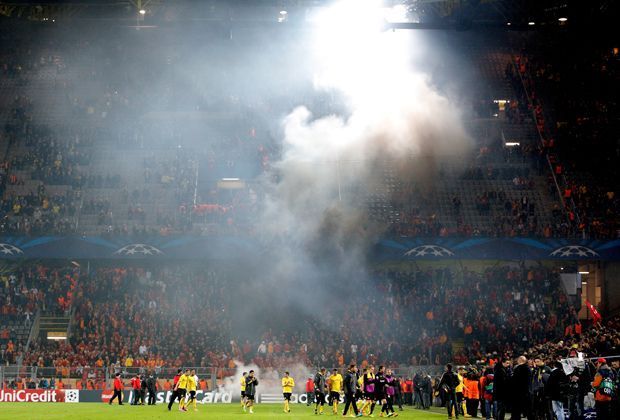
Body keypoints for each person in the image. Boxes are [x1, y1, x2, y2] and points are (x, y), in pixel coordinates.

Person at [510, 356, 531, 420]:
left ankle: (515, 418)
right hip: (526, 390)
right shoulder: (528, 368)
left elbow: (514, 380)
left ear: (520, 360)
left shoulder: (518, 368)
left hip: (518, 391)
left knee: (516, 407)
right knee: (528, 408)